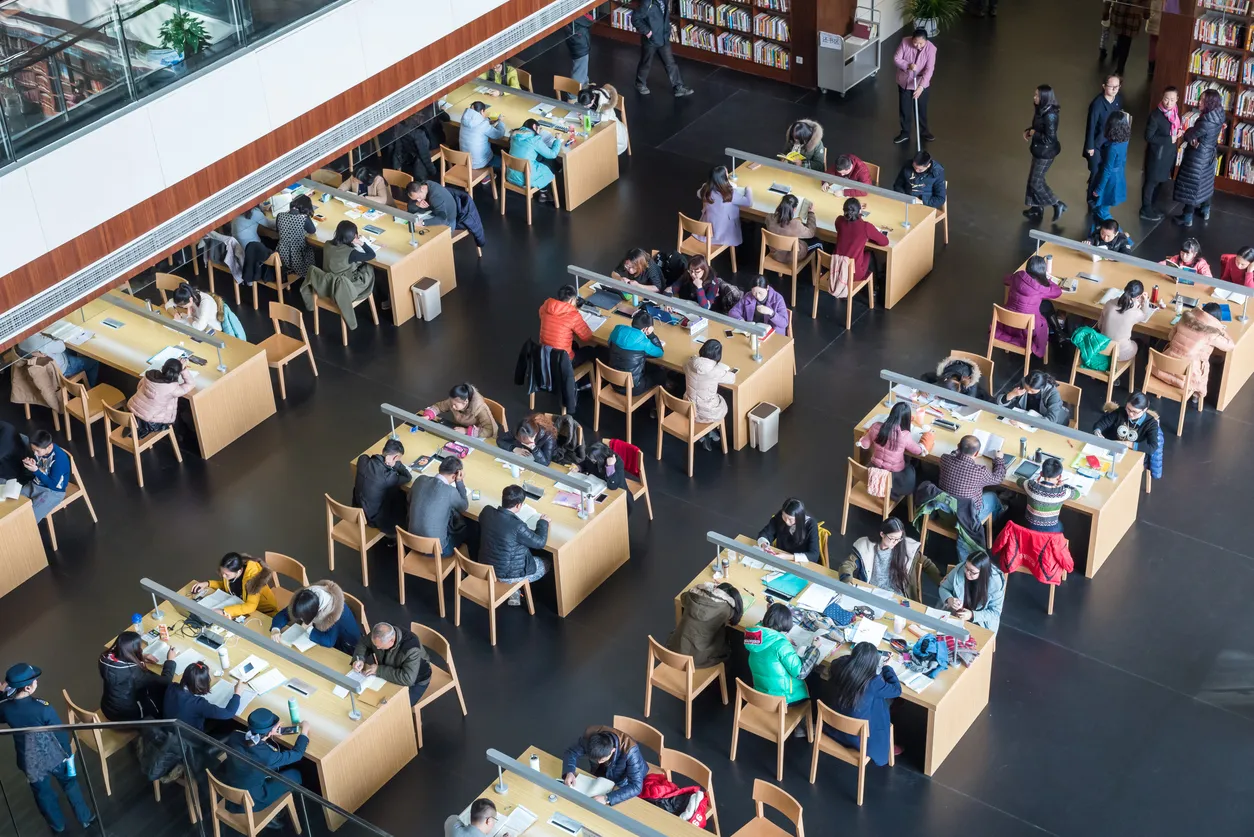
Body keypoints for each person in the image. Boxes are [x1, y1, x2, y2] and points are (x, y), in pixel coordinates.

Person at [0, 663, 95, 832]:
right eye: (35, 681)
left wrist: (1, 694)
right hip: (56, 756)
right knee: (70, 783)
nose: (37, 682)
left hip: (29, 759)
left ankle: (57, 825)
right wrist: (68, 754)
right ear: (28, 688)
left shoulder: (5, 708)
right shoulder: (43, 708)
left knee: (43, 794)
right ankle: (85, 817)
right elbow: (59, 734)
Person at [219, 708, 310, 817]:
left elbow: (251, 747)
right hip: (253, 799)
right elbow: (297, 754)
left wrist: (268, 735)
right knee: (295, 774)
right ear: (270, 731)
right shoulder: (268, 756)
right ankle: (276, 812)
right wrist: (304, 731)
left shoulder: (234, 736)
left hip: (231, 786)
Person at [823, 642, 902, 765]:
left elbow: (839, 660)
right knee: (883, 703)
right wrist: (887, 667)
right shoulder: (873, 682)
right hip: (857, 739)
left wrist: (853, 660)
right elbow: (896, 690)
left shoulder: (839, 666)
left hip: (833, 727)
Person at [478, 484, 551, 604]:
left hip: (485, 567)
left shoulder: (487, 511)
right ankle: (514, 587)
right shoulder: (518, 526)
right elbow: (540, 543)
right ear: (518, 505)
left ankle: (513, 591)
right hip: (507, 575)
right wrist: (543, 523)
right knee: (546, 563)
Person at [938, 435, 1008, 559]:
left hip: (944, 512)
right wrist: (999, 459)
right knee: (992, 497)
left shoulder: (944, 459)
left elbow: (952, 455)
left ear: (958, 446)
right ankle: (997, 524)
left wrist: (957, 452)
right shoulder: (979, 471)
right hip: (968, 518)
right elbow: (998, 478)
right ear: (976, 453)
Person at [839, 517, 939, 600]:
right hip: (872, 592)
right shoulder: (866, 546)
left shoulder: (906, 547)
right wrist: (847, 581)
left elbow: (926, 563)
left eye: (899, 539)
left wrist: (942, 582)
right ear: (882, 534)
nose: (895, 542)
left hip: (897, 595)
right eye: (892, 538)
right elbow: (848, 564)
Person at [1153, 302, 1235, 396]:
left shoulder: (1184, 320)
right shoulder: (1212, 334)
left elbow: (1170, 336)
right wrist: (1222, 330)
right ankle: (1196, 395)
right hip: (1187, 377)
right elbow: (1231, 346)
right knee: (1204, 364)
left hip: (1164, 367)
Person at [745, 603, 821, 703]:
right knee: (815, 682)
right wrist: (814, 648)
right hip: (785, 698)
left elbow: (762, 628)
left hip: (760, 693)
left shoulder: (753, 637)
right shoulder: (782, 645)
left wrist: (779, 634)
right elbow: (801, 672)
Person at [858, 401, 931, 500]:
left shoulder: (876, 427)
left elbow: (865, 444)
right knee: (912, 468)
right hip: (893, 477)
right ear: (907, 419)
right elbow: (918, 451)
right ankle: (894, 496)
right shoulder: (904, 435)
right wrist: (926, 439)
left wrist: (862, 440)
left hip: (874, 468)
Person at [98, 631, 177, 721]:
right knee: (164, 691)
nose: (141, 649)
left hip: (108, 708)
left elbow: (122, 656)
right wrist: (170, 660)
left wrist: (140, 657)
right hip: (126, 716)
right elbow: (166, 681)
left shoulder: (104, 659)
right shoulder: (134, 673)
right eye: (139, 648)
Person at [1174, 88, 1225, 227]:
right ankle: (1205, 210)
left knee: (1192, 185)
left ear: (1209, 102)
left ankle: (1187, 217)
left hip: (1197, 157)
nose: (1199, 102)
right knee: (1206, 184)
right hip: (1209, 154)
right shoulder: (1219, 115)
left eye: (1203, 100)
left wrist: (1187, 133)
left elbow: (1190, 135)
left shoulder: (1206, 121)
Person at [996, 254, 1062, 359]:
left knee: (1045, 305)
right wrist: (1047, 280)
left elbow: (1005, 279)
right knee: (1047, 306)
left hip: (1007, 324)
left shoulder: (1017, 276)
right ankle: (1059, 332)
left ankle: (1059, 332)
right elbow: (1057, 292)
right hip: (1026, 331)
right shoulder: (1040, 288)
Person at [562, 726, 648, 805]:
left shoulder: (630, 751)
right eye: (596, 759)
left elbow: (636, 786)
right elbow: (571, 752)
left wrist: (607, 798)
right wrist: (569, 772)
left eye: (602, 759)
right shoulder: (590, 738)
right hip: (601, 773)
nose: (599, 762)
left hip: (624, 780)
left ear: (612, 751)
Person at [270, 580, 362, 653]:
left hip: (345, 645)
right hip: (323, 635)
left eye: (303, 617)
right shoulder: (306, 598)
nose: (301, 619)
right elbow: (286, 613)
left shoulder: (334, 613)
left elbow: (329, 641)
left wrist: (308, 629)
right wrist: (275, 629)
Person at [408, 455, 473, 557]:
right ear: (454, 476)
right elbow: (464, 506)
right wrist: (459, 482)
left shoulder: (420, 479)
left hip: (411, 541)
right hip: (436, 550)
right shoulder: (450, 491)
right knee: (467, 528)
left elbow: (409, 499)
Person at [668, 582, 744, 668]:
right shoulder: (726, 609)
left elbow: (683, 597)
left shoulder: (691, 596)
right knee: (726, 647)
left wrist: (705, 587)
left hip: (675, 649)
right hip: (696, 660)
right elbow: (734, 618)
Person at [352, 622, 431, 704]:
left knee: (395, 707)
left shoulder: (411, 649)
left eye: (380, 646)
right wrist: (360, 658)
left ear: (391, 640)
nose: (377, 648)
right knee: (370, 700)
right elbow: (364, 643)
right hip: (390, 672)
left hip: (416, 680)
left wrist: (379, 670)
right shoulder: (379, 633)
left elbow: (408, 678)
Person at [190, 552, 280, 618]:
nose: (223, 577)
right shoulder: (232, 573)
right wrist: (208, 583)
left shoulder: (254, 580)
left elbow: (250, 606)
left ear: (239, 571)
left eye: (227, 575)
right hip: (241, 605)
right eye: (222, 573)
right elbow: (227, 586)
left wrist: (224, 611)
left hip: (264, 612)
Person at [632, 0, 693, 97]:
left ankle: (678, 87)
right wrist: (647, 32)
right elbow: (635, 18)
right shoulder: (647, 3)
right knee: (646, 62)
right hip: (651, 41)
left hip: (663, 37)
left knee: (670, 63)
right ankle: (640, 84)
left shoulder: (664, 1)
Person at [1023, 84, 1066, 222]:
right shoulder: (1041, 109)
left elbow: (1049, 138)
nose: (1034, 97)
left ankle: (1057, 204)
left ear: (1044, 98)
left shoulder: (1050, 115)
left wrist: (1033, 133)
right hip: (1039, 149)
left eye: (1037, 95)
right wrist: (1030, 130)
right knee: (1032, 180)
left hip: (1046, 153)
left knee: (1036, 182)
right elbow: (1038, 127)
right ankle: (1036, 208)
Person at [353, 438, 411, 535]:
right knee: (401, 496)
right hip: (372, 518)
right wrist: (396, 464)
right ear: (395, 457)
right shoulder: (388, 477)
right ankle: (394, 535)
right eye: (398, 459)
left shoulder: (362, 461)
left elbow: (364, 456)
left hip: (357, 509)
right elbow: (407, 477)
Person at [1141, 86, 1183, 221]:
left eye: (1172, 100)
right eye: (1166, 99)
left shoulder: (1175, 113)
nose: (1168, 103)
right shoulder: (1156, 115)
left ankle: (1152, 206)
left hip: (1168, 154)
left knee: (1161, 181)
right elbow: (1148, 137)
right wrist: (1169, 139)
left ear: (1177, 99)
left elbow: (1174, 129)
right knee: (1151, 181)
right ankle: (1145, 208)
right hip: (1157, 155)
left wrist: (1178, 133)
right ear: (1162, 97)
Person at [684, 340, 735, 450]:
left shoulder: (689, 363)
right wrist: (721, 369)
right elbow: (732, 379)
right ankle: (710, 430)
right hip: (707, 412)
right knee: (721, 399)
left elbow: (687, 366)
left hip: (688, 408)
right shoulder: (716, 371)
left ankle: (705, 433)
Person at [127, 357, 195, 439]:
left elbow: (139, 387)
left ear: (163, 367)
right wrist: (184, 370)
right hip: (150, 424)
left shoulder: (148, 376)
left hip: (132, 414)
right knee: (180, 409)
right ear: (178, 374)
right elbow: (191, 384)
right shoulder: (172, 389)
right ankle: (180, 436)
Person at [163, 662, 242, 731]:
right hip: (191, 737)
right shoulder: (199, 704)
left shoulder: (172, 687)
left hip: (170, 730)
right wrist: (237, 693)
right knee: (230, 724)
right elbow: (228, 713)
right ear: (201, 685)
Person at [939, 554, 1006, 633]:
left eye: (972, 572)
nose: (967, 573)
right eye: (966, 568)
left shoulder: (995, 584)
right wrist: (949, 599)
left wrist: (972, 615)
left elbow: (995, 613)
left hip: (981, 621)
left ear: (983, 572)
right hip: (957, 614)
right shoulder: (959, 569)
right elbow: (944, 588)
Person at [833, 198, 889, 289]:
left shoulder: (839, 221)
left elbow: (843, 229)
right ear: (860, 211)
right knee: (870, 254)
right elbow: (885, 242)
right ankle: (875, 288)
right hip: (853, 274)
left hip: (836, 268)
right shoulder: (866, 227)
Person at [893, 28, 936, 144]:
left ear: (926, 41)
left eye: (921, 43)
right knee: (904, 109)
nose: (918, 46)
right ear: (912, 39)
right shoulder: (904, 42)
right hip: (905, 81)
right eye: (915, 42)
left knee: (921, 109)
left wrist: (921, 87)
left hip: (921, 83)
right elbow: (896, 59)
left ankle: (924, 131)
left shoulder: (931, 49)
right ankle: (905, 132)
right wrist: (908, 65)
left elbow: (929, 69)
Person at [1084, 75, 1124, 200]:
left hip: (1111, 141)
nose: (1114, 89)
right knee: (1096, 172)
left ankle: (1098, 193)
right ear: (1104, 86)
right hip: (1097, 143)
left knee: (1105, 170)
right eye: (1111, 86)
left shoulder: (1118, 100)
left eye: (1116, 86)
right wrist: (1090, 146)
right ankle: (1091, 198)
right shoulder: (1097, 104)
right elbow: (1091, 126)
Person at [698, 165, 753, 254]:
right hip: (724, 235)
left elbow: (698, 193)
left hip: (706, 233)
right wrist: (748, 189)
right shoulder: (729, 193)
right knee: (747, 222)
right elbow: (748, 202)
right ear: (724, 178)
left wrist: (706, 185)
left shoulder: (706, 190)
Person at [539, 284, 597, 367]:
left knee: (575, 344)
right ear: (571, 301)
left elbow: (541, 315)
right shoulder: (573, 315)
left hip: (545, 356)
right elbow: (586, 336)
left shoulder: (546, 306)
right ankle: (592, 377)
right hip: (564, 361)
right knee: (590, 350)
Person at [1097, 279, 1154, 363]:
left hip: (1103, 348)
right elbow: (1144, 316)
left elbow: (1100, 326)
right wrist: (1145, 302)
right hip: (1121, 353)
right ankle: (1124, 371)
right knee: (1140, 342)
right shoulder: (1135, 313)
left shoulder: (1109, 304)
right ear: (1138, 297)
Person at [607, 309, 665, 391]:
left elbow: (609, 343)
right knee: (661, 373)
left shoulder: (618, 329)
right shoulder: (644, 343)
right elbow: (659, 352)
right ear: (646, 329)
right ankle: (657, 401)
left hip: (612, 380)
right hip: (632, 387)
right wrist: (651, 335)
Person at [505, 120, 562, 202]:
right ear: (535, 126)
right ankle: (544, 193)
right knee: (548, 164)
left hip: (511, 175)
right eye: (539, 129)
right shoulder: (534, 139)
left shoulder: (514, 136)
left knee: (540, 159)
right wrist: (558, 140)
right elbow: (552, 154)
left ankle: (544, 191)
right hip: (526, 179)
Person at [1019, 457, 1080, 533]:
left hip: (1028, 526)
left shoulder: (1031, 485)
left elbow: (1019, 481)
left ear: (1041, 474)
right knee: (1061, 525)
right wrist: (1065, 485)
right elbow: (1077, 494)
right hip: (1051, 531)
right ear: (1059, 477)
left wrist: (1035, 481)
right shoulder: (1061, 492)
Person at [20, 430, 69, 523]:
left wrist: (36, 471)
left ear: (49, 447)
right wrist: (33, 463)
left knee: (29, 519)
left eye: (37, 451)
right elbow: (42, 466)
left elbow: (53, 485)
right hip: (37, 484)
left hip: (53, 492)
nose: (35, 453)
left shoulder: (59, 460)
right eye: (33, 450)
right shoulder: (41, 450)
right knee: (13, 504)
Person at [1091, 110, 1131, 224]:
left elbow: (1107, 170)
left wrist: (1099, 189)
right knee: (1101, 210)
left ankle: (1121, 236)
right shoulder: (1124, 141)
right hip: (1118, 177)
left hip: (1110, 181)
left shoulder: (1112, 148)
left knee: (1102, 211)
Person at [17, 332, 99, 386]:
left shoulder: (20, 339)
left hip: (40, 369)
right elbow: (61, 347)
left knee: (72, 348)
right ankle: (91, 389)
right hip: (62, 368)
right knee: (94, 362)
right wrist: (52, 336)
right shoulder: (43, 342)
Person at [1093, 393, 1162, 457]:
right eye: (1128, 409)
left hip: (1130, 452)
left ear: (1144, 410)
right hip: (1110, 446)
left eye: (1135, 412)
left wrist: (1126, 443)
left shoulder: (1151, 423)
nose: (1130, 414)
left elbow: (1152, 447)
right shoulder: (1120, 412)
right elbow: (1100, 424)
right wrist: (1098, 433)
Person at [422, 383, 499, 438]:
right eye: (451, 403)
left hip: (479, 435)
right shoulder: (454, 401)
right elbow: (438, 407)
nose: (452, 406)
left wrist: (466, 431)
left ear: (465, 402)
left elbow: (489, 430)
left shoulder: (480, 408)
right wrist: (428, 416)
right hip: (459, 431)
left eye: (455, 405)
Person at [757, 498, 820, 563]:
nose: (786, 522)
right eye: (784, 516)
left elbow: (814, 555)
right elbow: (765, 533)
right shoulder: (780, 516)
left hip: (800, 562)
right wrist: (764, 545)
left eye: (790, 519)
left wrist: (788, 557)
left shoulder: (811, 525)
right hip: (780, 558)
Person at [998, 370, 1069, 425]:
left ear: (1041, 388)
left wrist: (1025, 422)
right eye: (1026, 388)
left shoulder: (1052, 393)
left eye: (1032, 391)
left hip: (1052, 422)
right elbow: (999, 403)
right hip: (1029, 415)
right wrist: (1012, 394)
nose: (1028, 392)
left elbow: (1052, 419)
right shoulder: (1023, 384)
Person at [578, 85, 630, 156]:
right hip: (597, 122)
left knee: (601, 146)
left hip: (609, 123)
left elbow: (605, 117)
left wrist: (587, 115)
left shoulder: (604, 101)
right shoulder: (589, 94)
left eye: (587, 105)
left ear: (593, 99)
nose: (585, 107)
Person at [231, 205, 275, 286]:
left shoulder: (237, 210)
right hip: (252, 250)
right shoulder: (254, 213)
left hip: (238, 248)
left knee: (267, 239)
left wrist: (262, 208)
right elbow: (271, 225)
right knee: (273, 242)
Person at [275, 193, 317, 279]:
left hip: (282, 255)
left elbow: (278, 230)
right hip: (298, 257)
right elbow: (312, 230)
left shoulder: (280, 215)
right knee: (314, 250)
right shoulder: (304, 218)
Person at [765, 194, 817, 259]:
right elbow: (811, 233)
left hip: (775, 253)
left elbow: (775, 220)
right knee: (817, 242)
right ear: (794, 209)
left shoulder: (769, 218)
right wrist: (811, 213)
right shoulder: (796, 225)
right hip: (791, 257)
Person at [459, 102, 506, 172]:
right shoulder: (483, 125)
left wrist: (487, 120)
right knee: (504, 162)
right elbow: (498, 134)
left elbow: (478, 125)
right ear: (481, 111)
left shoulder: (464, 119)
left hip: (464, 158)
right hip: (478, 162)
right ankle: (486, 175)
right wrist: (501, 122)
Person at [925, 354, 991, 400]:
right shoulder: (943, 375)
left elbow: (968, 401)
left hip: (981, 401)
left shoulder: (970, 381)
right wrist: (922, 388)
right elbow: (926, 376)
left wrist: (944, 399)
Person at [1109, 0, 1147, 75]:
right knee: (1126, 42)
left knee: (1121, 38)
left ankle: (1118, 62)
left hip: (1121, 10)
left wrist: (1106, 8)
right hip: (1133, 14)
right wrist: (1146, 12)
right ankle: (1120, 67)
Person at [566, 12, 594, 88]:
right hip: (580, 46)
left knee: (581, 69)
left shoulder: (569, 15)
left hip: (576, 43)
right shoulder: (578, 16)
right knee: (579, 70)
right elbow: (589, 20)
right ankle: (572, 96)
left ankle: (584, 87)